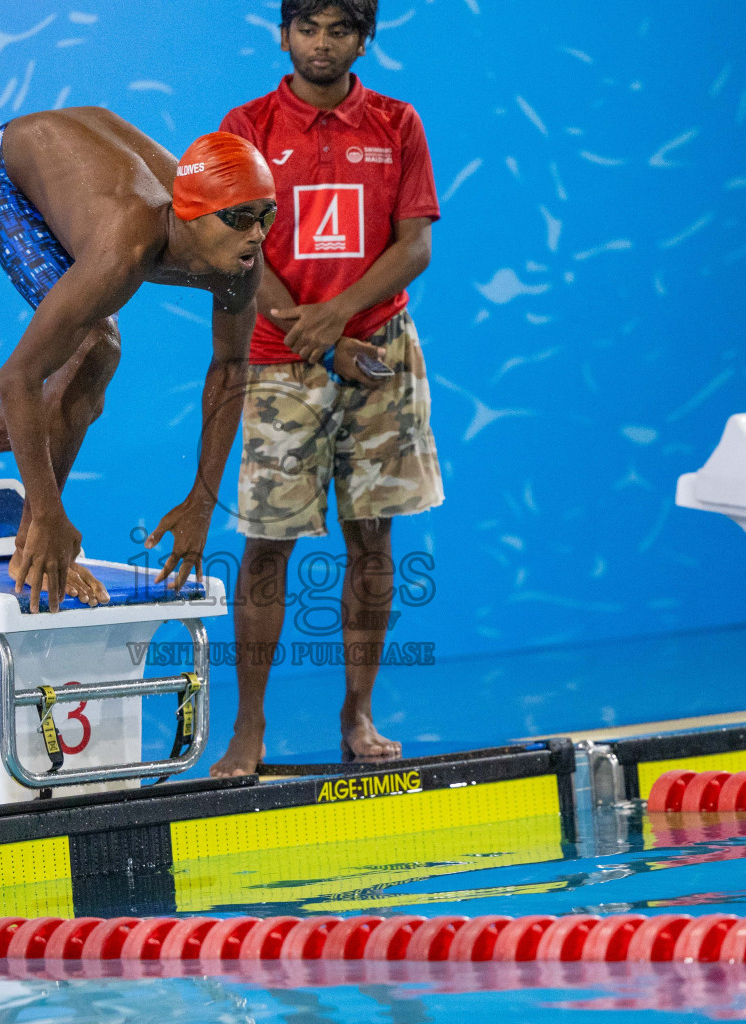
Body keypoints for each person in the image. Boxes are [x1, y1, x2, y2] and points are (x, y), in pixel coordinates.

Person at [0, 109, 390, 612]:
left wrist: (202, 503)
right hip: (3, 171)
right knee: (95, 346)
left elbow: (229, 369)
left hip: (92, 154)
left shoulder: (240, 263)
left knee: (84, 389)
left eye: (266, 216)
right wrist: (49, 512)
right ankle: (34, 541)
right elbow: (17, 376)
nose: (257, 234)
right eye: (241, 219)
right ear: (191, 216)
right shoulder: (128, 248)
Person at [209, 0, 444, 775]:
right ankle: (248, 728)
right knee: (266, 546)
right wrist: (307, 329)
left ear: (363, 39)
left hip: (379, 353)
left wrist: (340, 320)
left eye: (339, 30)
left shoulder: (398, 123)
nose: (321, 44)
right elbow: (229, 246)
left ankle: (359, 712)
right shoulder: (244, 128)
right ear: (282, 35)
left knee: (374, 540)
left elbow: (415, 249)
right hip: (280, 357)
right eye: (307, 28)